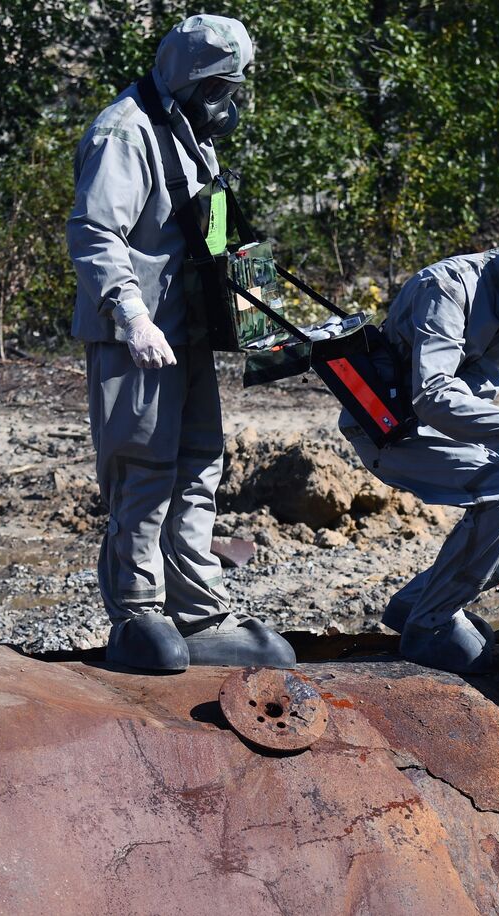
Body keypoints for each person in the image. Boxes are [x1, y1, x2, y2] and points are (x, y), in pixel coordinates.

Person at [66, 15, 295, 672]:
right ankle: (138, 613)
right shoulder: (125, 132)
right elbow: (94, 232)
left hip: (187, 331)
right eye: (222, 84)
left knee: (199, 465)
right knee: (143, 469)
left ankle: (197, 610)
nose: (229, 98)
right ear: (193, 77)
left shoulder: (189, 130)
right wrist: (131, 315)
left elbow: (215, 228)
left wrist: (265, 312)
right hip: (137, 334)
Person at [340, 216, 499, 675]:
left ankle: (421, 604)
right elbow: (433, 396)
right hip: (394, 427)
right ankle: (431, 628)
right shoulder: (448, 287)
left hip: (463, 428)